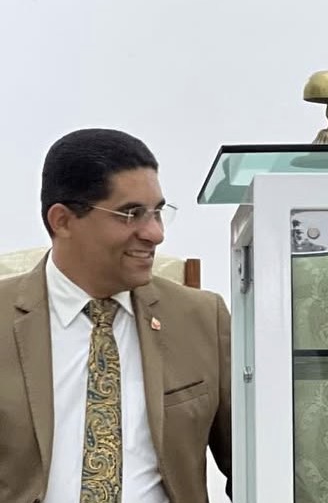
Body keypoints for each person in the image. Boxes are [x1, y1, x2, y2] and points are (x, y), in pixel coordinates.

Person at [0, 128, 232, 503]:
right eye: (130, 214)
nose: (155, 233)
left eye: (157, 212)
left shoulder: (202, 319)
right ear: (62, 221)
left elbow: (256, 466)